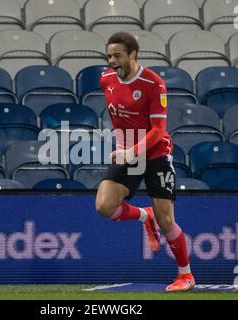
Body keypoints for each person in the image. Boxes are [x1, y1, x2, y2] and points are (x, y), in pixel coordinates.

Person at [95, 32, 195, 292]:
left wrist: (134, 150)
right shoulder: (106, 79)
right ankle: (143, 215)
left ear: (132, 55)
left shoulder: (154, 83)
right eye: (109, 56)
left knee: (166, 221)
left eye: (117, 55)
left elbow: (159, 130)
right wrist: (125, 149)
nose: (112, 61)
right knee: (104, 206)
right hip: (127, 153)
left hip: (155, 155)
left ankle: (185, 275)